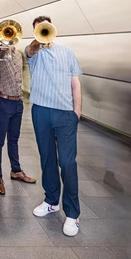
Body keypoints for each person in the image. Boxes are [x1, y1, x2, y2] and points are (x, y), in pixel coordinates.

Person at [25, 15, 83, 237]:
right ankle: (51, 201)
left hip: (65, 113)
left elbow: (75, 82)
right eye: (39, 29)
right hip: (41, 110)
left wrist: (76, 111)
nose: (43, 32)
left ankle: (73, 213)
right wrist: (38, 40)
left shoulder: (67, 52)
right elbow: (30, 50)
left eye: (46, 28)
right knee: (47, 157)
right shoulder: (33, 53)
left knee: (68, 163)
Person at [0, 43, 36, 195]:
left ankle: (16, 171)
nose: (10, 42)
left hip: (18, 102)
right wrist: (3, 47)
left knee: (14, 139)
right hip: (3, 102)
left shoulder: (19, 54)